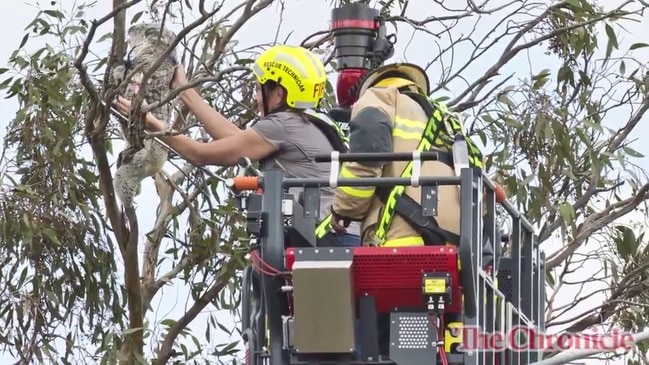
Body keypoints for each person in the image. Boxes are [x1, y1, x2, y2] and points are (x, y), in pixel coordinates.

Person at [113, 44, 361, 247]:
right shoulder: (308, 122)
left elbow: (200, 154)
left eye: (259, 87)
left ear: (279, 92)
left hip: (327, 239)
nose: (255, 97)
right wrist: (183, 89)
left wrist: (150, 122)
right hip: (343, 237)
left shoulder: (283, 125)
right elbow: (235, 138)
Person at [329, 62, 485, 357]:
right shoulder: (449, 123)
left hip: (399, 251)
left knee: (379, 348)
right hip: (454, 257)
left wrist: (343, 210)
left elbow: (368, 154)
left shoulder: (380, 97)